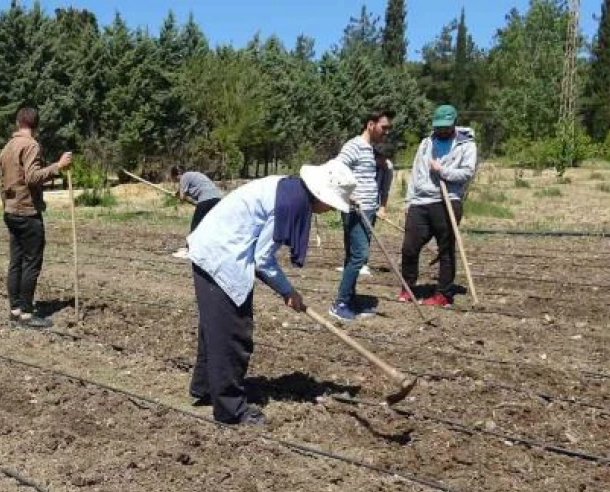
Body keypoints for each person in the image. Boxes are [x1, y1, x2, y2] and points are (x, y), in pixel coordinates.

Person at [186, 159, 356, 426]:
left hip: (213, 245)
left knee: (214, 326)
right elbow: (263, 260)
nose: (332, 209)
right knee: (233, 332)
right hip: (221, 253)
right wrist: (288, 291)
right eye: (334, 203)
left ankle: (205, 388)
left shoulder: (289, 187)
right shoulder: (291, 202)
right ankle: (230, 409)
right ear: (322, 195)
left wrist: (286, 291)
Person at [0, 106, 73, 328]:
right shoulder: (30, 145)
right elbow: (32, 177)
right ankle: (27, 314)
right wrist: (58, 166)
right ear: (36, 125)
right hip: (27, 212)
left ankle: (15, 310)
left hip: (11, 211)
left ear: (17, 123)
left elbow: (3, 182)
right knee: (31, 262)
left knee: (16, 262)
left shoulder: (7, 147)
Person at [400, 104, 478, 308]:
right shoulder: (426, 143)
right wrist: (409, 200)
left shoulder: (466, 145)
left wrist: (442, 170)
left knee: (446, 248)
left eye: (445, 127)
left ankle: (443, 293)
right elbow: (416, 172)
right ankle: (408, 286)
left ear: (453, 124)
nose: (441, 130)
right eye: (438, 127)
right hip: (421, 200)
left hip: (447, 199)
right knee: (409, 247)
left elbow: (467, 173)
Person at [329, 109, 393, 322]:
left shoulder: (369, 149)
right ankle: (340, 303)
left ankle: (351, 299)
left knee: (353, 256)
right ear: (370, 125)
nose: (386, 132)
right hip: (356, 210)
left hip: (368, 210)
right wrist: (349, 194)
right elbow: (336, 167)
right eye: (384, 127)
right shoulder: (354, 146)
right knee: (359, 256)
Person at [170, 166, 224, 259]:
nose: (175, 181)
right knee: (210, 226)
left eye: (174, 179)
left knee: (196, 225)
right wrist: (178, 194)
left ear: (176, 175)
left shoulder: (184, 177)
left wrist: (180, 197)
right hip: (218, 198)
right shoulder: (193, 175)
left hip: (206, 199)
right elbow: (182, 192)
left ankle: (190, 249)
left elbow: (182, 197)